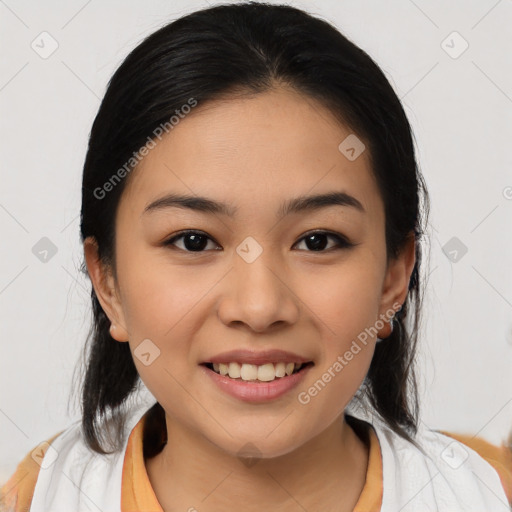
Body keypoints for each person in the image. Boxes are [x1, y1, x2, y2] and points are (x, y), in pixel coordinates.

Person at [1, 2, 511, 511]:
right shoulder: (35, 498)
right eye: (193, 241)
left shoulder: (489, 493)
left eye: (318, 241)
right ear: (108, 283)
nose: (259, 307)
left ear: (393, 278)